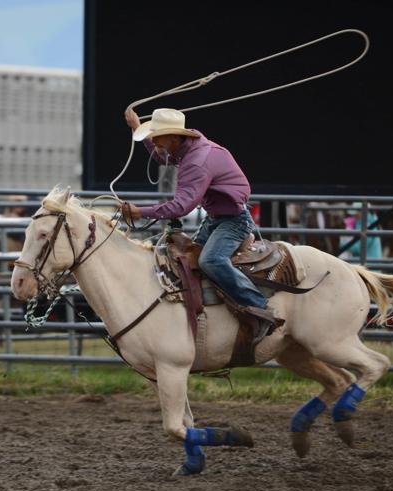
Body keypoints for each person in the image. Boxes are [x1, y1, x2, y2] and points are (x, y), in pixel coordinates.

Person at [121, 107, 283, 345]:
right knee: (185, 259)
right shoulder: (186, 149)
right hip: (217, 218)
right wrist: (137, 129)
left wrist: (139, 212)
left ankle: (260, 310)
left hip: (234, 221)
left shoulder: (197, 161)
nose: (154, 140)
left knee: (211, 261)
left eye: (157, 135)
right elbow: (160, 155)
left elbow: (180, 207)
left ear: (174, 137)